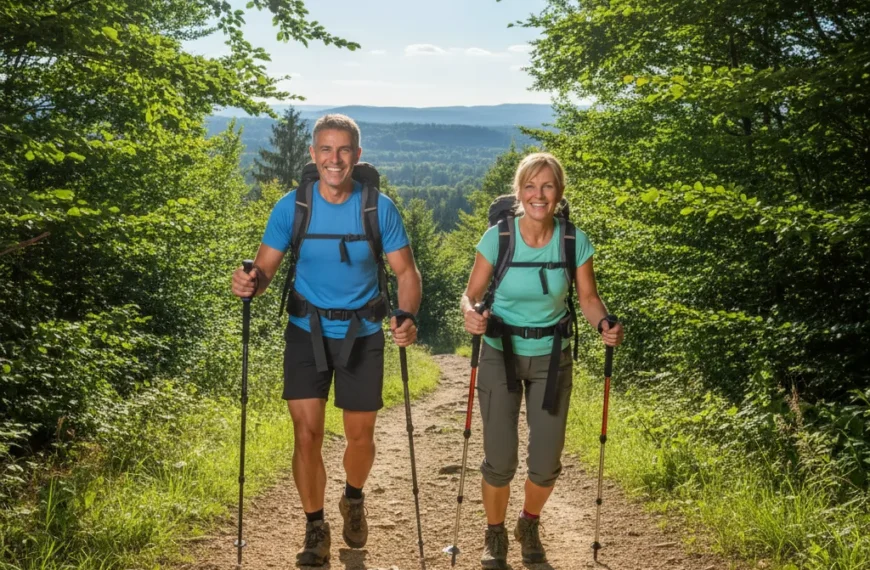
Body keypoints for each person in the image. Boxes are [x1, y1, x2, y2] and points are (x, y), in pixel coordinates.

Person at [231, 114, 422, 567]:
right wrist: (249, 283)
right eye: (325, 150)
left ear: (356, 156)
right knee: (307, 434)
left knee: (360, 438)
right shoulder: (292, 207)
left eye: (343, 151)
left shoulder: (379, 208)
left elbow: (407, 273)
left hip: (364, 333)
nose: (334, 160)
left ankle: (353, 496)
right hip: (305, 331)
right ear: (313, 155)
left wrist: (407, 315)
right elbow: (265, 270)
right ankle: (314, 525)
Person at [460, 152, 624, 569]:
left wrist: (603, 322)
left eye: (547, 186)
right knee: (500, 458)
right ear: (519, 193)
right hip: (500, 354)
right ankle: (494, 534)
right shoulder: (497, 238)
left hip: (553, 357)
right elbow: (472, 294)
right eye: (530, 186)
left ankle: (527, 522)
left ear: (559, 193)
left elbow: (587, 298)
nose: (539, 195)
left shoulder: (573, 240)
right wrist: (470, 313)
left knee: (546, 461)